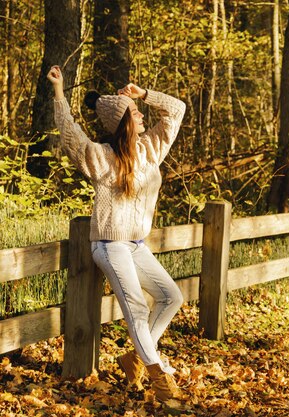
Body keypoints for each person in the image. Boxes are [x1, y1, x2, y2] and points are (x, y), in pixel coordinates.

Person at [47, 65, 186, 401]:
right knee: (137, 309)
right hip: (110, 246)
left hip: (136, 245)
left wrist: (144, 95)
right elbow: (69, 132)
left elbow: (177, 110)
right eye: (135, 113)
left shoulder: (151, 148)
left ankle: (136, 357)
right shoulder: (101, 157)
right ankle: (160, 380)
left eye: (139, 112)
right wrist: (59, 92)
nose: (141, 116)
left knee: (171, 297)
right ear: (122, 122)